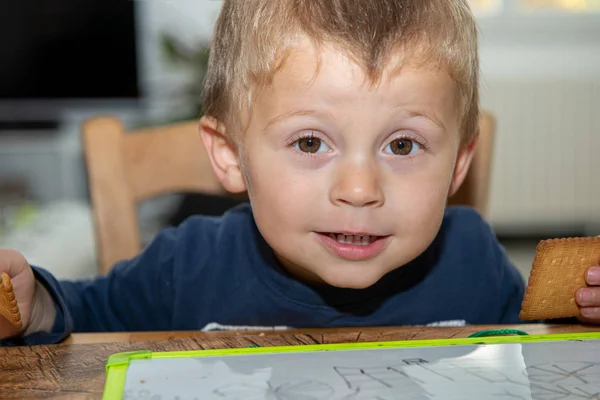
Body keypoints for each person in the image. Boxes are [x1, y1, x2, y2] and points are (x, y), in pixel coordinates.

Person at [2, 0, 600, 346]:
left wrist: (582, 310)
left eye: (403, 144)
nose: (360, 190)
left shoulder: (473, 258)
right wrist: (34, 306)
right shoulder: (186, 266)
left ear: (458, 165)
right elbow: (85, 316)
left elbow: (541, 349)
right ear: (230, 155)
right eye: (311, 141)